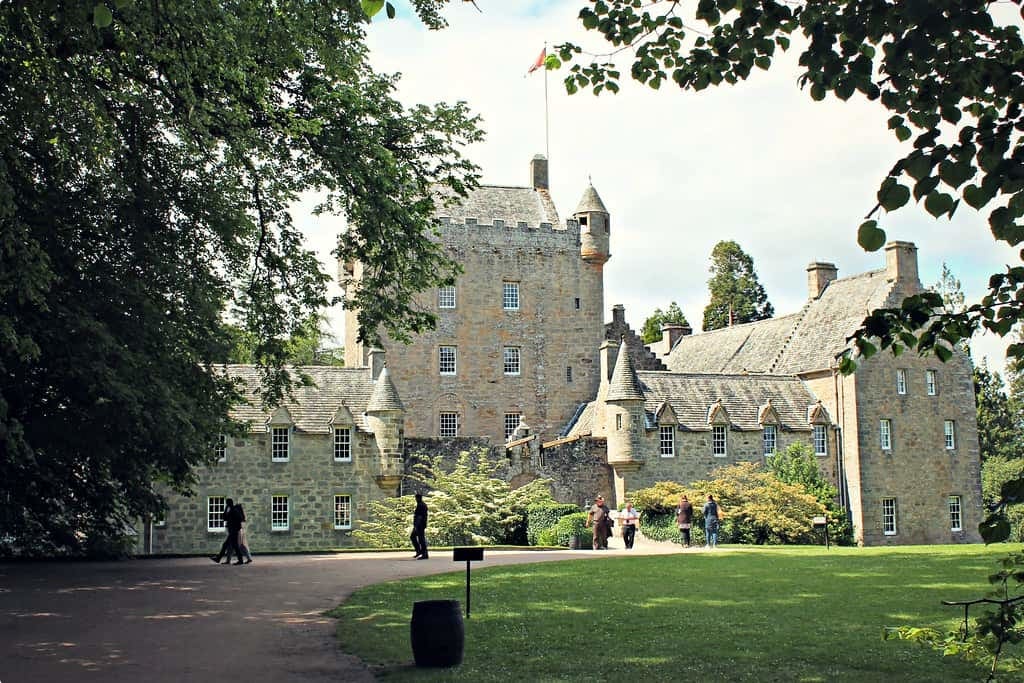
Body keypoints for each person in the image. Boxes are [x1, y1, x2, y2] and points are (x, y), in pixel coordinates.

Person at [210, 498, 245, 565]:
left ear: (229, 503)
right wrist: (226, 509)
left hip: (233, 531)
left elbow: (238, 519)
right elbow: (225, 518)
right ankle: (219, 558)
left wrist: (235, 527)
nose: (226, 504)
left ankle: (240, 560)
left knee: (233, 545)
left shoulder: (234, 510)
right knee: (228, 545)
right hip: (232, 531)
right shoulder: (232, 510)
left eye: (227, 503)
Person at [411, 492, 429, 560]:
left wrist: (416, 526)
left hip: (420, 525)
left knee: (420, 539)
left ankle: (423, 553)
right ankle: (421, 552)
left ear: (418, 498)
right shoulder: (422, 504)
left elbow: (419, 517)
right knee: (419, 538)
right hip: (421, 524)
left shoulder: (421, 505)